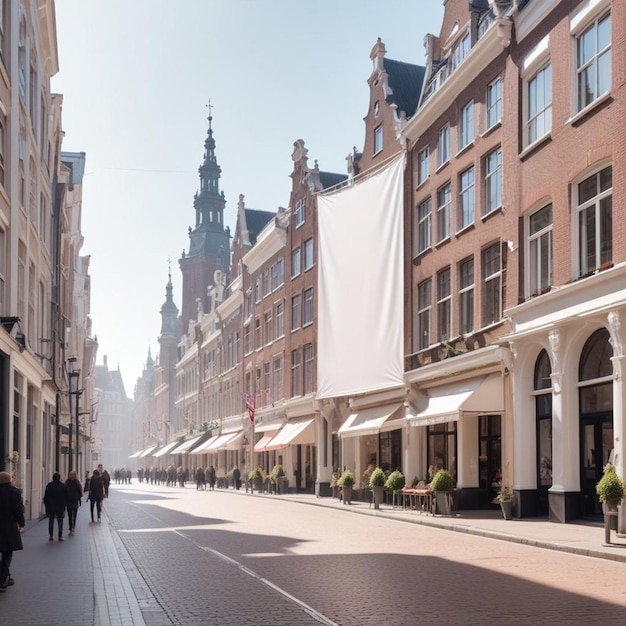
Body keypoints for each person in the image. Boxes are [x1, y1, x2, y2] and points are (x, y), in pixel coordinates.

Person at [0, 471, 25, 591]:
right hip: (8, 527)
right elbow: (18, 510)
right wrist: (21, 523)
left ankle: (6, 576)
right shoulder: (14, 492)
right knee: (7, 553)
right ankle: (2, 580)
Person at [44, 472, 68, 541]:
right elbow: (66, 496)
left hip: (51, 507)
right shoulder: (63, 486)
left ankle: (51, 536)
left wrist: (46, 506)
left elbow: (46, 497)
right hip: (60, 506)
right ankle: (60, 536)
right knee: (60, 521)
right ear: (59, 478)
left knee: (51, 520)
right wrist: (64, 504)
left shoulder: (49, 486)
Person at [65, 470, 83, 535]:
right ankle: (73, 527)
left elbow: (65, 491)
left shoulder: (67, 482)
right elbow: (80, 492)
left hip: (69, 501)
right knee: (74, 515)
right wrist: (79, 497)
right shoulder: (77, 482)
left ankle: (70, 527)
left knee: (70, 515)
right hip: (75, 501)